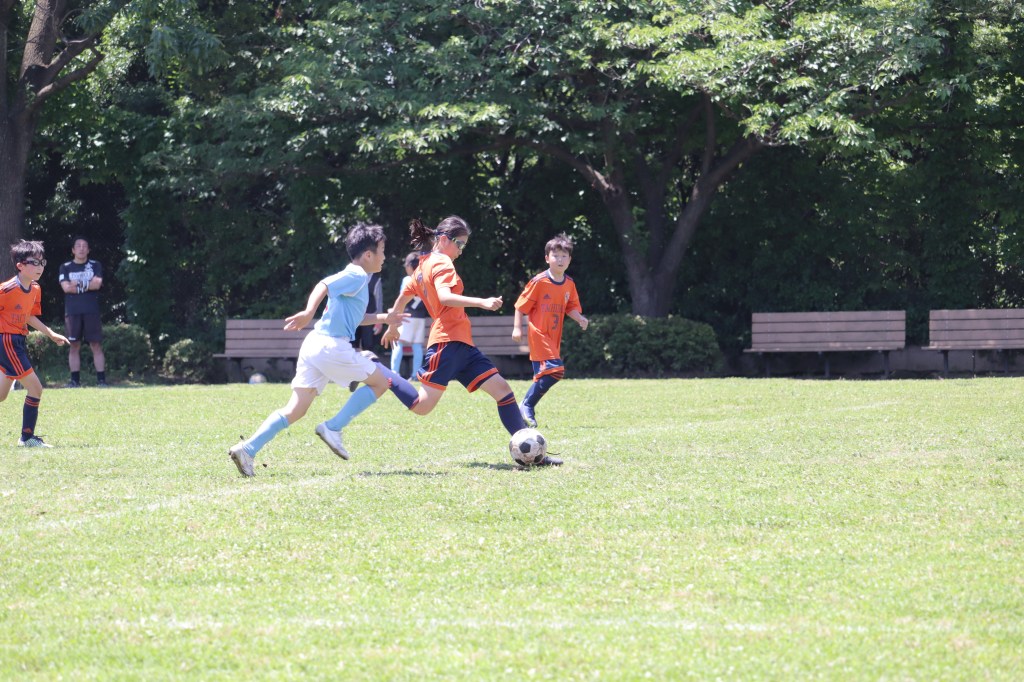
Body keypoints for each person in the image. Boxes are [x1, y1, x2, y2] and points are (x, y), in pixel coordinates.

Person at [339, 215, 561, 466]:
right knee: (421, 406)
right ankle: (376, 366)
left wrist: (392, 327)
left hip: (461, 343)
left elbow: (403, 296)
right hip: (447, 343)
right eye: (459, 244)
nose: (461, 250)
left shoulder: (423, 265)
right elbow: (444, 297)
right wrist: (481, 302)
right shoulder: (442, 263)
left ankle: (532, 453)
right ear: (444, 239)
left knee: (503, 392)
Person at [228, 223, 418, 477]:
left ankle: (247, 449)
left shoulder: (358, 279)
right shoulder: (357, 275)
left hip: (315, 344)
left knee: (296, 409)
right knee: (381, 383)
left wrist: (385, 318)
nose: (385, 256)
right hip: (331, 346)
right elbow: (324, 284)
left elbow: (356, 317)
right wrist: (309, 311)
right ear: (368, 254)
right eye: (382, 251)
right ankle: (333, 427)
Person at [512, 233, 588, 428]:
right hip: (539, 335)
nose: (560, 260)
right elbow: (520, 306)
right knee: (556, 370)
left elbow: (571, 307)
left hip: (554, 338)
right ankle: (526, 405)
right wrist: (517, 328)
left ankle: (524, 410)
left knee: (544, 376)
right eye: (556, 256)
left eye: (564, 256)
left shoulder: (569, 284)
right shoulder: (539, 281)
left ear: (569, 259)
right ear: (547, 258)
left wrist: (580, 318)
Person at [0, 240, 69, 447]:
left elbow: (29, 316)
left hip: (17, 342)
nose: (40, 267)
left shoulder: (35, 289)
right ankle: (27, 438)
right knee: (36, 388)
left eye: (42, 262)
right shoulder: (7, 289)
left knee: (1, 395)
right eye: (34, 262)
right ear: (20, 265)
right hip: (8, 341)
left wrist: (51, 333)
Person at [58, 236, 106, 387]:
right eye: (78, 246)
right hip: (72, 311)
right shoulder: (65, 267)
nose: (81, 248)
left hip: (91, 310)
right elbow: (66, 288)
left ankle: (101, 381)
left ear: (88, 250)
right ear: (73, 250)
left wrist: (77, 284)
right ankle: (74, 381)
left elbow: (97, 284)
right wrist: (87, 284)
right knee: (74, 346)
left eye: (84, 246)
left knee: (96, 345)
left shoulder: (95, 265)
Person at [389, 252, 429, 380]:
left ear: (411, 266)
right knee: (417, 346)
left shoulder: (407, 279)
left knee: (398, 343)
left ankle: (394, 372)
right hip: (420, 317)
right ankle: (415, 375)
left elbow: (403, 298)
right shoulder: (425, 280)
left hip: (407, 316)